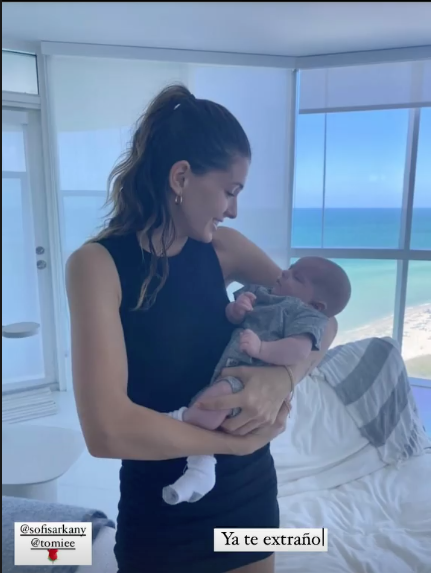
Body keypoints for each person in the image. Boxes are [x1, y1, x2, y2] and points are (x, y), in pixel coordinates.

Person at [66, 84, 338, 573]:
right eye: (230, 191)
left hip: (248, 499)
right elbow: (106, 431)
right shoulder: (97, 265)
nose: (233, 209)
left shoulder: (225, 248)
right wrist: (231, 443)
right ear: (181, 177)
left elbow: (322, 320)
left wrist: (283, 378)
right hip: (162, 512)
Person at [162, 257, 351, 505]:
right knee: (209, 412)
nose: (285, 273)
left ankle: (172, 421)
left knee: (213, 404)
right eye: (290, 268)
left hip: (250, 376)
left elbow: (299, 350)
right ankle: (201, 470)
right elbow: (230, 317)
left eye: (297, 277)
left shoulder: (305, 314)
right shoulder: (262, 293)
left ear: (316, 305)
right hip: (229, 370)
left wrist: (262, 349)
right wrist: (236, 309)